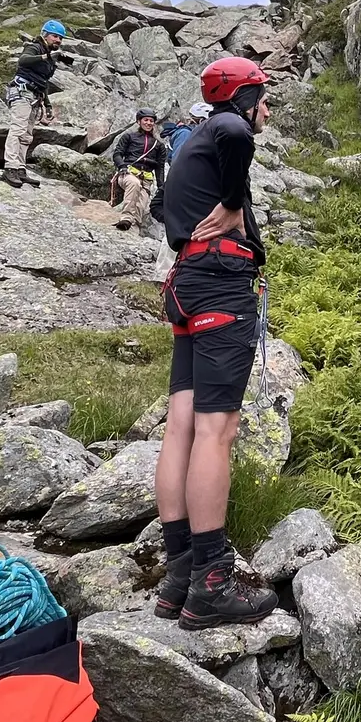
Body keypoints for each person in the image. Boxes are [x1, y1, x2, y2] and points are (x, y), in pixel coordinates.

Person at [152, 57, 279, 628]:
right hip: (221, 285)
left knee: (182, 422)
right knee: (215, 430)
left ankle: (179, 568)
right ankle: (211, 580)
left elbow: (164, 209)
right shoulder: (227, 127)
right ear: (243, 98)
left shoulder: (188, 147)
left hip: (187, 283)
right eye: (262, 99)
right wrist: (233, 205)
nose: (266, 110)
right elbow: (234, 131)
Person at [2, 20, 68, 186]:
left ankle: (20, 168)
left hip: (35, 95)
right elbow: (23, 61)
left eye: (60, 38)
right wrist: (46, 56)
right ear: (45, 34)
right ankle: (10, 167)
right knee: (18, 129)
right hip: (21, 91)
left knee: (26, 135)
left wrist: (48, 104)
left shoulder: (50, 57)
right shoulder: (35, 47)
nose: (58, 40)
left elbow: (43, 81)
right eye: (55, 36)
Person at [112, 107, 168, 230]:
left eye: (151, 121)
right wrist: (122, 166)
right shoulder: (129, 137)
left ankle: (134, 226)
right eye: (145, 120)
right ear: (139, 122)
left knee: (142, 202)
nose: (148, 123)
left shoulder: (158, 145)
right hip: (128, 173)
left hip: (146, 178)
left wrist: (161, 185)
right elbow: (117, 154)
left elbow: (160, 167)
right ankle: (126, 218)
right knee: (134, 183)